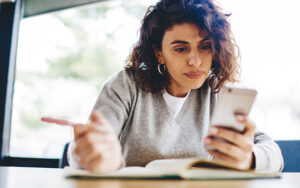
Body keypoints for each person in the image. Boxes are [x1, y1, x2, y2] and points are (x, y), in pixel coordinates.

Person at [66, 0, 283, 173]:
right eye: (180, 49)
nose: (195, 61)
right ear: (159, 53)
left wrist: (249, 158)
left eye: (205, 46)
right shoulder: (126, 86)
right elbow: (80, 152)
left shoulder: (216, 93)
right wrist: (97, 156)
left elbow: (274, 154)